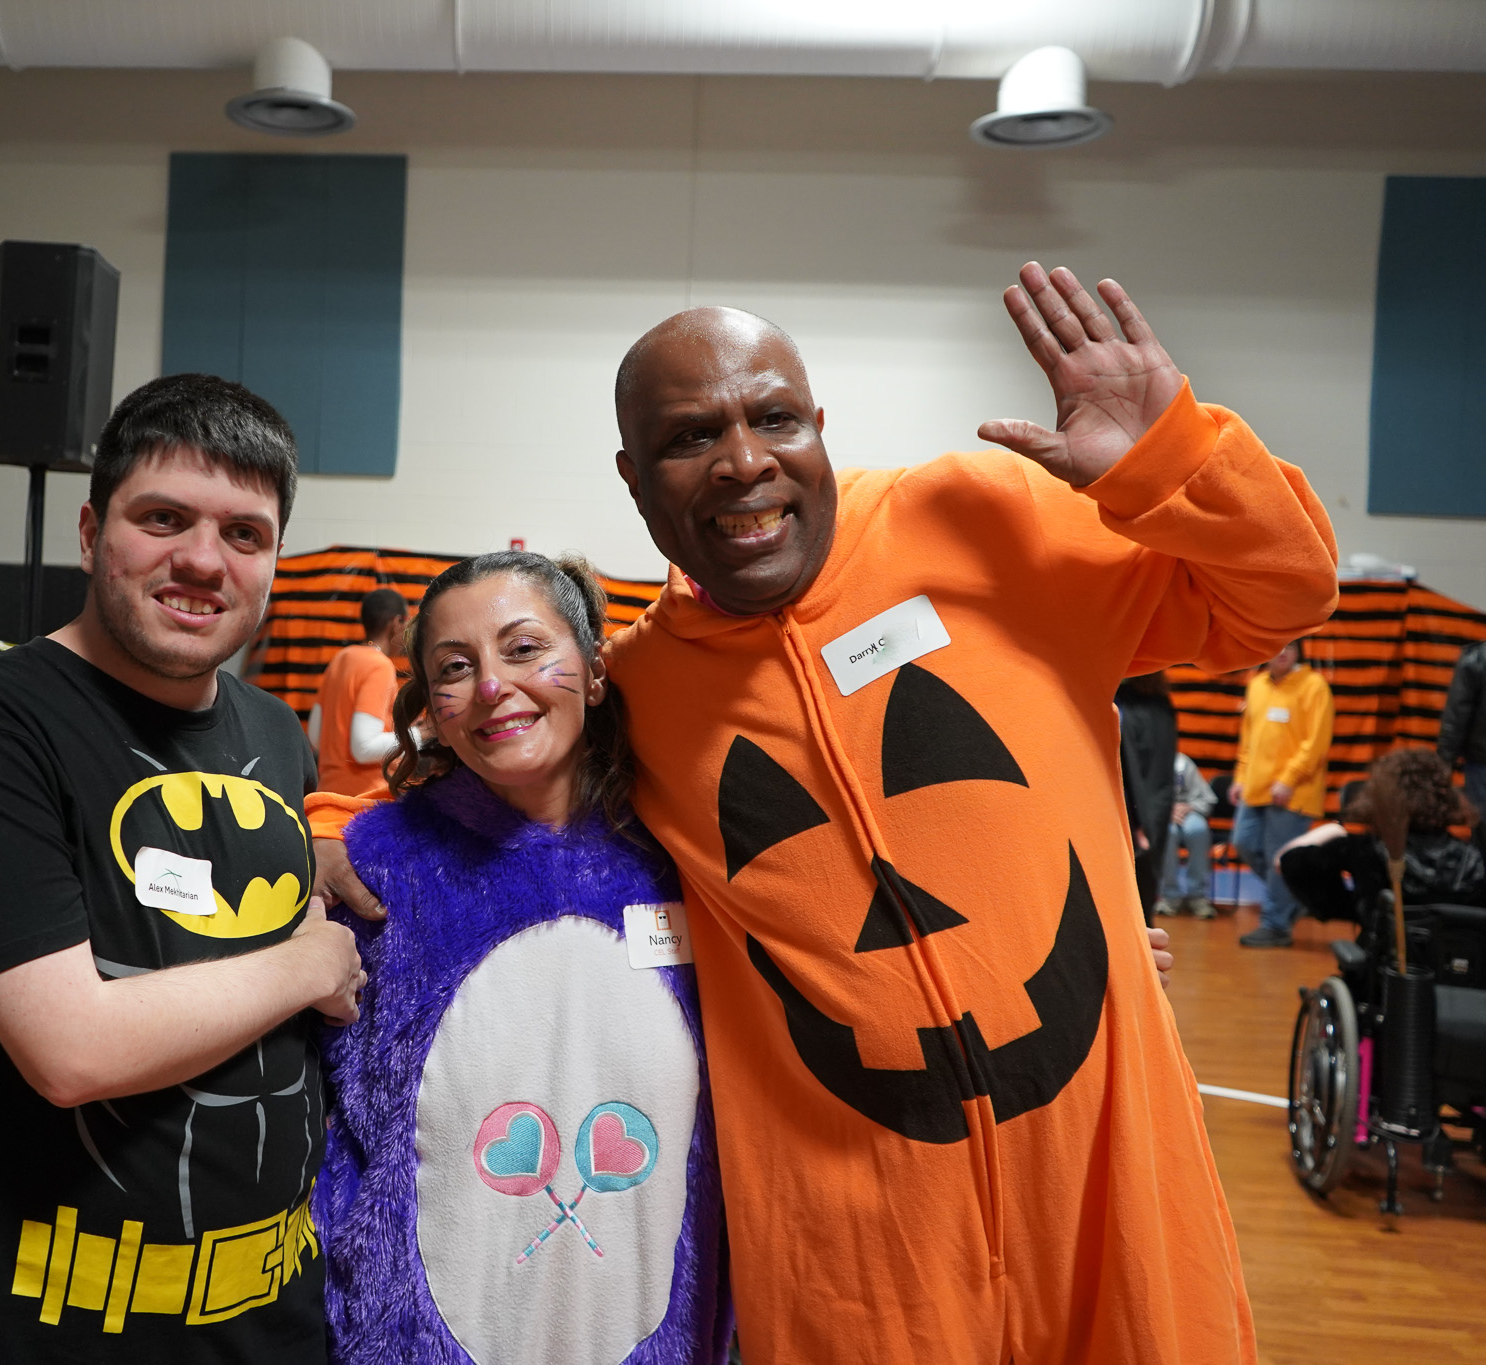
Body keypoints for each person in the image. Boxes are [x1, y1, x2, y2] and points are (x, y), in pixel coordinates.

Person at [315, 262, 1333, 1363]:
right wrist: (328, 828)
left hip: (1108, 1192)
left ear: (816, 425)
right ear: (632, 478)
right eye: (689, 437)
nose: (743, 460)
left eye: (773, 417)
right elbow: (488, 762)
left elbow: (1277, 593)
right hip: (863, 1263)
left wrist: (1161, 461)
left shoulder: (980, 518)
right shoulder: (645, 686)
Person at [0, 375, 364, 1364]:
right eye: (163, 518)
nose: (203, 560)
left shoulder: (274, 733)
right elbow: (72, 1048)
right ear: (88, 532)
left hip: (262, 1319)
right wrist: (311, 965)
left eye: (245, 534)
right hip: (32, 1326)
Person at [316, 552, 727, 1365]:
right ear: (431, 703)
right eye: (456, 668)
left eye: (524, 648)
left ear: (595, 670)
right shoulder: (373, 866)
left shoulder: (692, 853)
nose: (494, 686)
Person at [1277, 747, 1486, 920]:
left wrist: (1333, 830)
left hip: (1382, 966)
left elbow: (1285, 861)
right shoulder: (1473, 858)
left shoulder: (1365, 850)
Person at [1230, 639, 1335, 947]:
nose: (1282, 652)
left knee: (1280, 858)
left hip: (1293, 792)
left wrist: (1289, 779)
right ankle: (1296, 895)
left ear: (1299, 651)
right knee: (1243, 842)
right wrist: (1240, 777)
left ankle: (1276, 925)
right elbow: (1248, 740)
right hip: (1255, 787)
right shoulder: (1257, 685)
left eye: (1290, 646)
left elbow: (1316, 743)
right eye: (1276, 646)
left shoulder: (1314, 686)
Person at [307, 588, 408, 795]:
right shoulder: (380, 666)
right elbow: (364, 748)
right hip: (365, 799)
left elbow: (315, 736)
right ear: (397, 623)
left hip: (328, 795)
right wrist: (418, 735)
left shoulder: (341, 658)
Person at [1116, 671, 1178, 923]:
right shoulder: (1160, 703)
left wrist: (1140, 821)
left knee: (1140, 879)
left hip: (1138, 805)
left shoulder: (1128, 704)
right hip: (1148, 804)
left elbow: (1138, 768)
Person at [1158, 751, 1218, 918]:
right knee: (1168, 833)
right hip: (1161, 815)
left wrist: (1188, 807)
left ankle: (1197, 897)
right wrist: (1164, 810)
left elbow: (1206, 798)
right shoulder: (1147, 761)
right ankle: (1169, 896)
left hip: (1190, 810)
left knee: (1198, 830)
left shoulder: (1183, 762)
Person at [1438, 639, 1486, 827]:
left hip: (1481, 763)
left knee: (1482, 828)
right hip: (1480, 762)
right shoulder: (1477, 658)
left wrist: (1444, 761)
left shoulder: (1477, 657)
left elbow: (1457, 714)